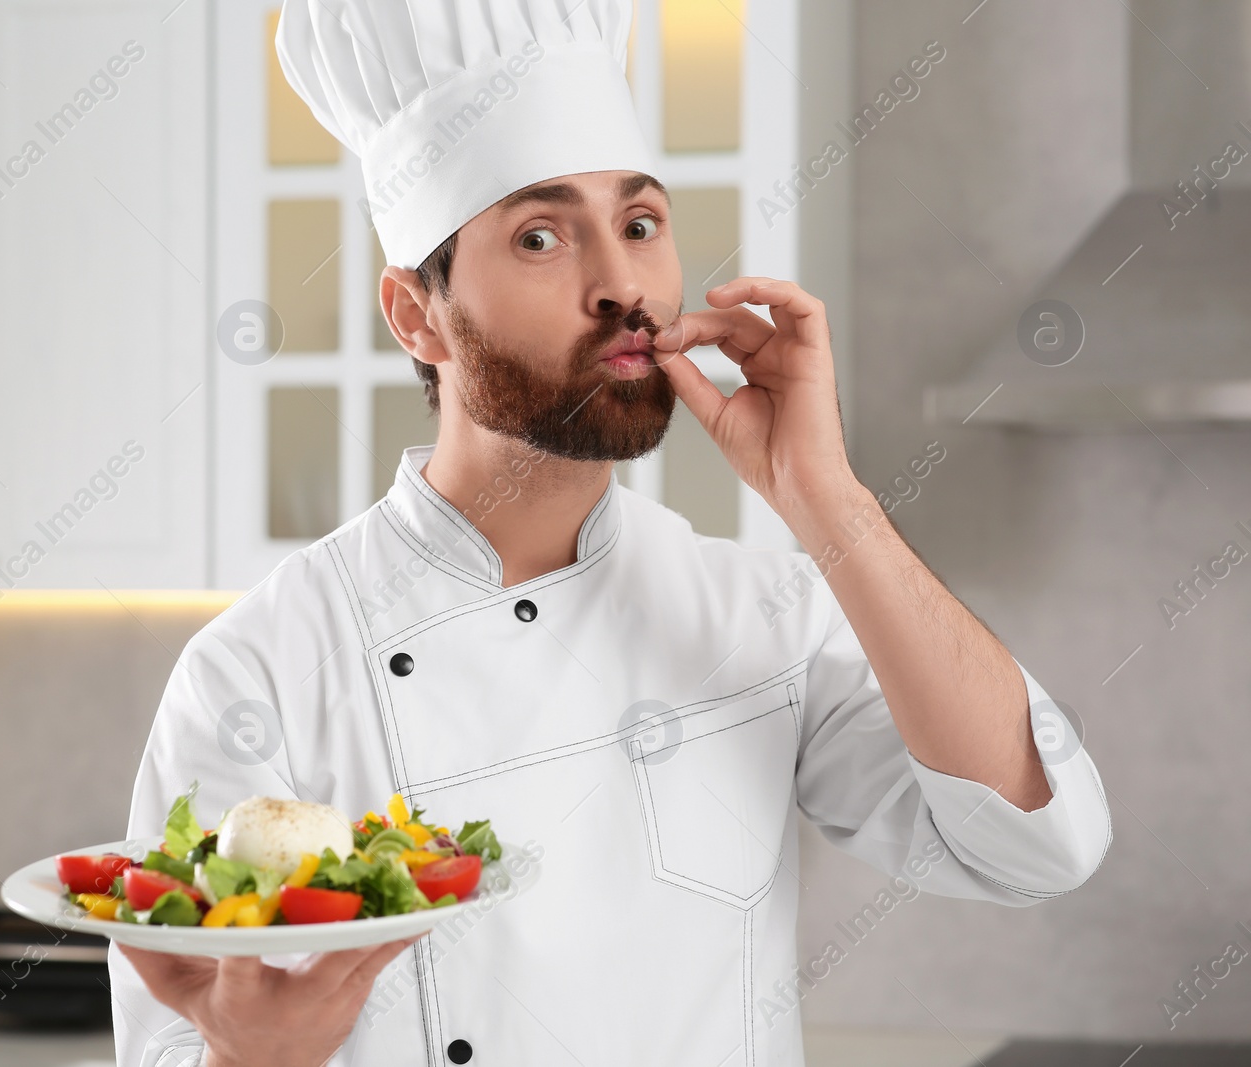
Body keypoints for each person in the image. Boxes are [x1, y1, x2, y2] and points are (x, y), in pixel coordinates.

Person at [108, 2, 1112, 1064]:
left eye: (638, 225)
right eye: (539, 236)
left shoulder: (757, 614)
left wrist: (827, 498)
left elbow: (1039, 845)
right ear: (415, 315)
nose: (622, 286)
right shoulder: (262, 668)